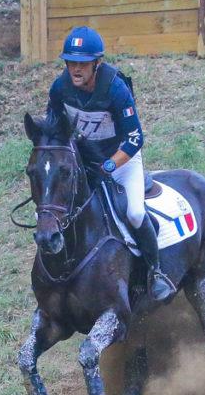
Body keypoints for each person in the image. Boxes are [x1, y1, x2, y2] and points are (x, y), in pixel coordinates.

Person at [45, 26, 176, 302]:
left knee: (136, 213)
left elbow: (135, 138)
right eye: (70, 62)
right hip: (84, 162)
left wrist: (109, 167)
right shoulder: (60, 88)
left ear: (97, 63)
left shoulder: (115, 87)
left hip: (121, 160)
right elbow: (52, 128)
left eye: (82, 63)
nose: (75, 69)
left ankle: (155, 273)